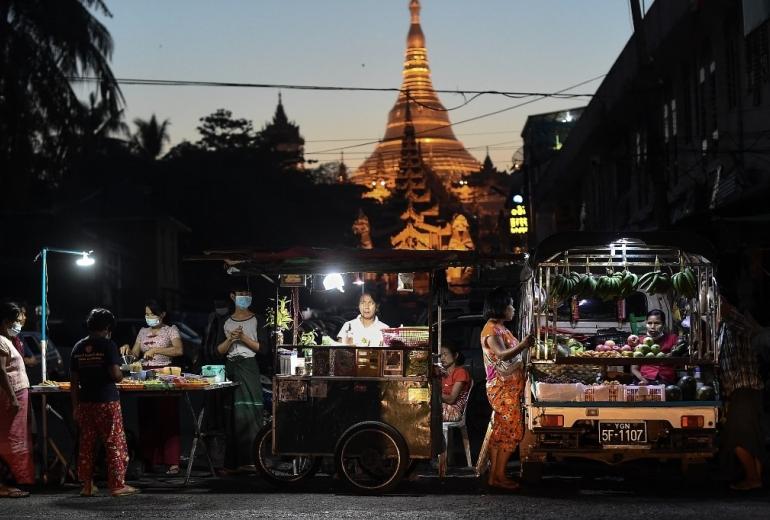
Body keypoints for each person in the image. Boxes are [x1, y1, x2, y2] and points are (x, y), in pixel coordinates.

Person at [70, 308, 139, 497]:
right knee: (114, 442)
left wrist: (75, 407)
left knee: (86, 444)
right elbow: (116, 375)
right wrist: (123, 375)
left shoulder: (78, 347)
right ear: (108, 327)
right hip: (106, 402)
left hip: (85, 403)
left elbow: (74, 382)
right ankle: (117, 485)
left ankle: (86, 485)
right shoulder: (108, 345)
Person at [120, 299, 182, 475]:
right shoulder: (142, 332)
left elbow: (178, 350)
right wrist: (126, 349)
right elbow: (134, 356)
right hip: (144, 377)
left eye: (152, 314)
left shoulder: (171, 330)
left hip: (165, 376)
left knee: (167, 417)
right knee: (147, 418)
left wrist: (157, 351)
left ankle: (172, 462)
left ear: (162, 315)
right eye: (146, 314)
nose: (148, 317)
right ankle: (149, 460)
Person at [480, 287, 534, 490]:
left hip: (509, 387)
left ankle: (496, 476)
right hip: (503, 389)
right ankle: (499, 476)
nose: (513, 308)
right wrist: (524, 345)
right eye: (510, 304)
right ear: (500, 307)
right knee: (511, 431)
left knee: (501, 431)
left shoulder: (500, 328)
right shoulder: (491, 331)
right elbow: (502, 355)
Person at [718, 299, 765, 491]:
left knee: (737, 438)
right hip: (740, 389)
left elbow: (747, 328)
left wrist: (727, 310)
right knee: (751, 438)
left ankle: (753, 478)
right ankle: (755, 479)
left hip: (745, 387)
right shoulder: (723, 328)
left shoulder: (735, 322)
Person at [215, 287, 264, 472]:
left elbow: (263, 348)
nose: (245, 298)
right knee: (231, 414)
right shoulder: (225, 321)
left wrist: (243, 337)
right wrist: (231, 340)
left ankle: (252, 459)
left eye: (249, 295)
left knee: (251, 411)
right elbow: (218, 351)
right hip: (230, 368)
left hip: (249, 366)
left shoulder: (257, 319)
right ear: (233, 296)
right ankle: (232, 462)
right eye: (242, 295)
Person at [0, 302, 33, 498]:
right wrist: (12, 396)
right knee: (9, 438)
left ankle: (13, 482)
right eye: (14, 321)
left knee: (16, 437)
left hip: (18, 393)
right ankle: (6, 483)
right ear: (5, 322)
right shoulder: (1, 341)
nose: (18, 324)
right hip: (11, 396)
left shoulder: (7, 340)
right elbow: (1, 371)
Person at [631, 309, 678, 384]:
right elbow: (634, 368)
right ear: (646, 323)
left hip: (666, 380)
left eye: (657, 323)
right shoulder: (640, 341)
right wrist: (643, 380)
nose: (652, 326)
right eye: (649, 323)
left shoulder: (672, 339)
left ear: (663, 324)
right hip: (644, 378)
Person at [440, 344, 471, 422]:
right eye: (440, 355)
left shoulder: (460, 372)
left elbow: (451, 399)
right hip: (443, 407)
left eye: (445, 354)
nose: (442, 358)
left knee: (424, 410)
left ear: (455, 355)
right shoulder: (442, 374)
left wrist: (433, 392)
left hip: (454, 410)